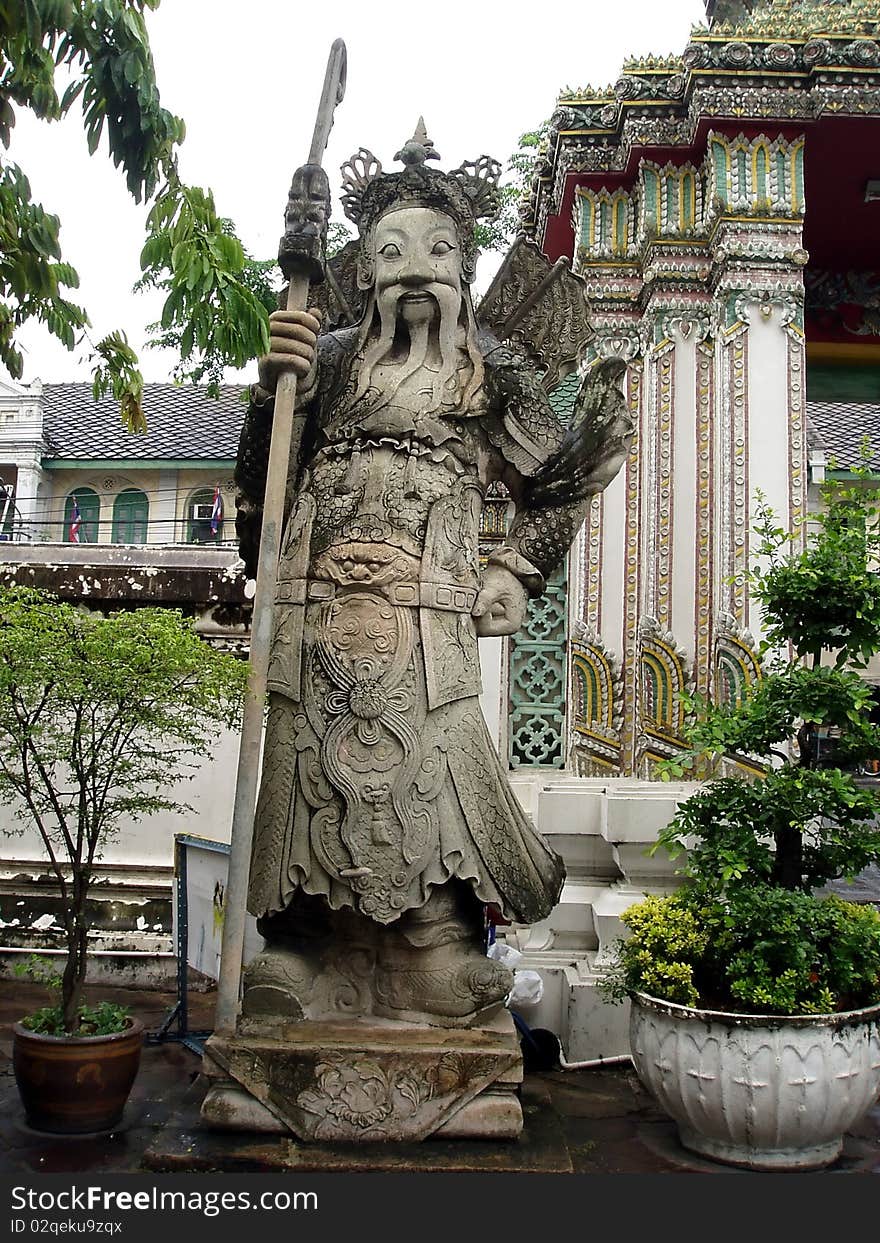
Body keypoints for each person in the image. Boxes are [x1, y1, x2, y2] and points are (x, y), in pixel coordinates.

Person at [233, 131, 632, 1028]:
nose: (415, 270)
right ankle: (302, 942)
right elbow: (265, 484)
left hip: (427, 617)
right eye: (390, 253)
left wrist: (519, 565)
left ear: (464, 264)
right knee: (308, 772)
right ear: (363, 272)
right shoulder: (328, 359)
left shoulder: (492, 369)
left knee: (429, 775)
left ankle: (434, 944)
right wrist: (273, 392)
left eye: (438, 252)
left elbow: (562, 478)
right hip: (319, 607)